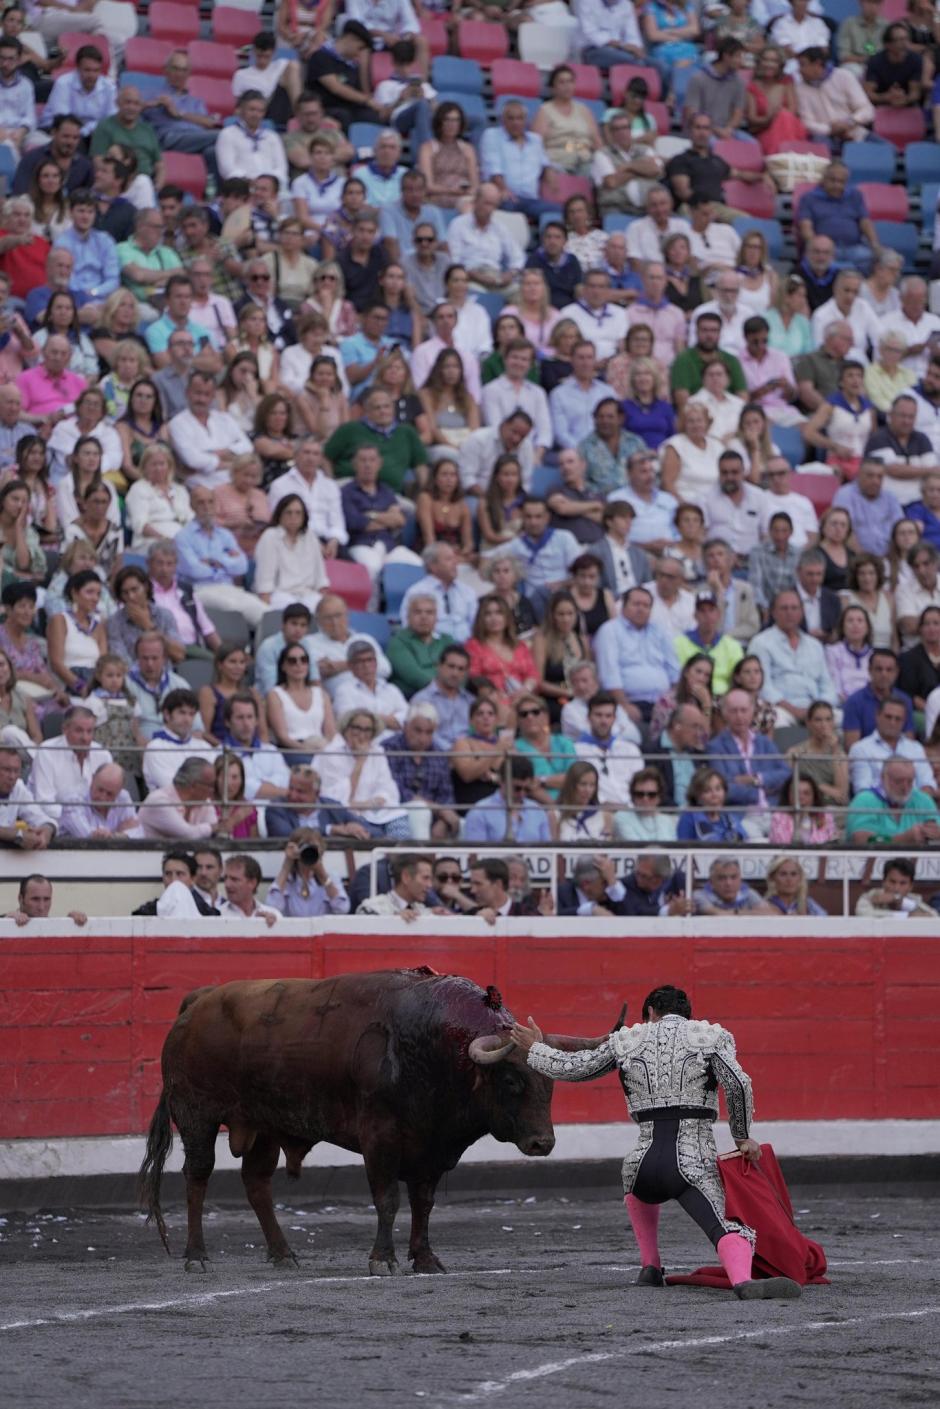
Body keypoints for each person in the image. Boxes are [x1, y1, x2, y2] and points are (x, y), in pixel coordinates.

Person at [511, 985, 799, 1301]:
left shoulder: (627, 1041)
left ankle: (650, 1267)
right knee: (727, 1227)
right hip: (693, 1162)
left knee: (636, 1186)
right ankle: (742, 1281)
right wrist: (742, 1135)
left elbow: (574, 1068)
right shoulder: (710, 1038)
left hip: (641, 1164)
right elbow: (739, 1084)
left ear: (649, 1013)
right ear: (688, 1013)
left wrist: (536, 1048)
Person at [751, 588, 840, 726]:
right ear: (773, 613)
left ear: (802, 612)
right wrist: (795, 711)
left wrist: (819, 710)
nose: (790, 613)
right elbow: (763, 686)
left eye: (794, 608)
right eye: (784, 608)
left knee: (845, 719)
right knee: (775, 720)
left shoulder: (814, 645)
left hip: (816, 708)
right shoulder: (761, 643)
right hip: (781, 708)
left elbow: (826, 684)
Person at [595, 586, 680, 720]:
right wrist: (623, 705)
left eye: (646, 606)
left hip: (663, 702)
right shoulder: (610, 630)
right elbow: (609, 674)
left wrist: (675, 700)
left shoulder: (659, 631)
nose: (641, 609)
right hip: (630, 702)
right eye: (636, 604)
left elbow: (674, 670)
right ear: (623, 606)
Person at [848, 696, 934, 795]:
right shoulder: (860, 749)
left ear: (904, 721)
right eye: (888, 717)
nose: (892, 723)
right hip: (877, 808)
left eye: (898, 719)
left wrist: (912, 803)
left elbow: (928, 785)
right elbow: (862, 791)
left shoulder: (916, 748)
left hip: (914, 807)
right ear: (877, 716)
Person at [847, 756, 940, 844]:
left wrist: (934, 833)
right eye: (899, 781)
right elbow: (862, 841)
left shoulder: (923, 799)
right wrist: (903, 839)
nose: (905, 787)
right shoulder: (864, 800)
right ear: (883, 778)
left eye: (910, 781)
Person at [573, 689, 644, 805]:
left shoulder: (630, 749)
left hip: (631, 811)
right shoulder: (576, 750)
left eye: (608, 716)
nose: (604, 721)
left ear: (614, 718)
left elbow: (640, 785)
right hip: (596, 811)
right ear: (588, 717)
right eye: (598, 715)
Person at [462, 754, 551, 844]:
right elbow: (475, 853)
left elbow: (548, 851)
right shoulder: (480, 811)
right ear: (501, 781)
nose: (522, 793)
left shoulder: (537, 811)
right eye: (517, 788)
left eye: (527, 789)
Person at [266, 828, 350, 917]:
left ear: (321, 850)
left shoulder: (331, 878)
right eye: (304, 847)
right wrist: (287, 865)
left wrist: (322, 875)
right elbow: (272, 907)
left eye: (314, 848)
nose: (309, 851)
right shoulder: (286, 880)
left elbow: (343, 909)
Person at [139, 756, 219, 842]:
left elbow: (215, 833)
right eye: (210, 785)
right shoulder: (158, 801)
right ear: (193, 785)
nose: (213, 790)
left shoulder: (204, 802)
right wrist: (215, 827)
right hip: (150, 854)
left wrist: (217, 828)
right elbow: (187, 835)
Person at [356, 852, 439, 921]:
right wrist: (394, 920)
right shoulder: (371, 907)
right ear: (406, 877)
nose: (430, 885)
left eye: (431, 879)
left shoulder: (424, 912)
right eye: (425, 878)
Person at [0, 746, 54, 849]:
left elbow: (41, 818)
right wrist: (17, 834)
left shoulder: (18, 788)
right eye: (6, 770)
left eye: (16, 771)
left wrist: (46, 831)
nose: (12, 777)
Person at [677, 766, 746, 844]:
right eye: (707, 791)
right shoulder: (688, 817)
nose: (715, 795)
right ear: (697, 796)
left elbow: (743, 838)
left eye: (718, 789)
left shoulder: (729, 817)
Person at [855, 857, 937, 919]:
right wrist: (907, 916)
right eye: (892, 882)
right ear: (883, 882)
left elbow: (934, 917)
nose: (896, 888)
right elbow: (863, 914)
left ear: (910, 887)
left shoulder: (913, 900)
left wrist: (904, 904)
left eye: (903, 883)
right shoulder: (870, 896)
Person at [217, 853, 279, 926]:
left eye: (234, 879)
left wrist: (270, 928)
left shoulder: (273, 915)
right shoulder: (217, 915)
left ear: (252, 883)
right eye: (225, 878)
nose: (227, 884)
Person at [6, 874, 87, 927]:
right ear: (21, 899)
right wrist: (6, 920)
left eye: (46, 899)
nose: (41, 907)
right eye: (35, 899)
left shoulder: (54, 926)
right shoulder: (8, 920)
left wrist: (71, 922)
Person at [764, 856, 829, 917]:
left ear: (800, 878)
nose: (789, 879)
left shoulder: (809, 904)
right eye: (783, 874)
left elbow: (826, 923)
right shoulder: (765, 905)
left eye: (793, 874)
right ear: (772, 878)